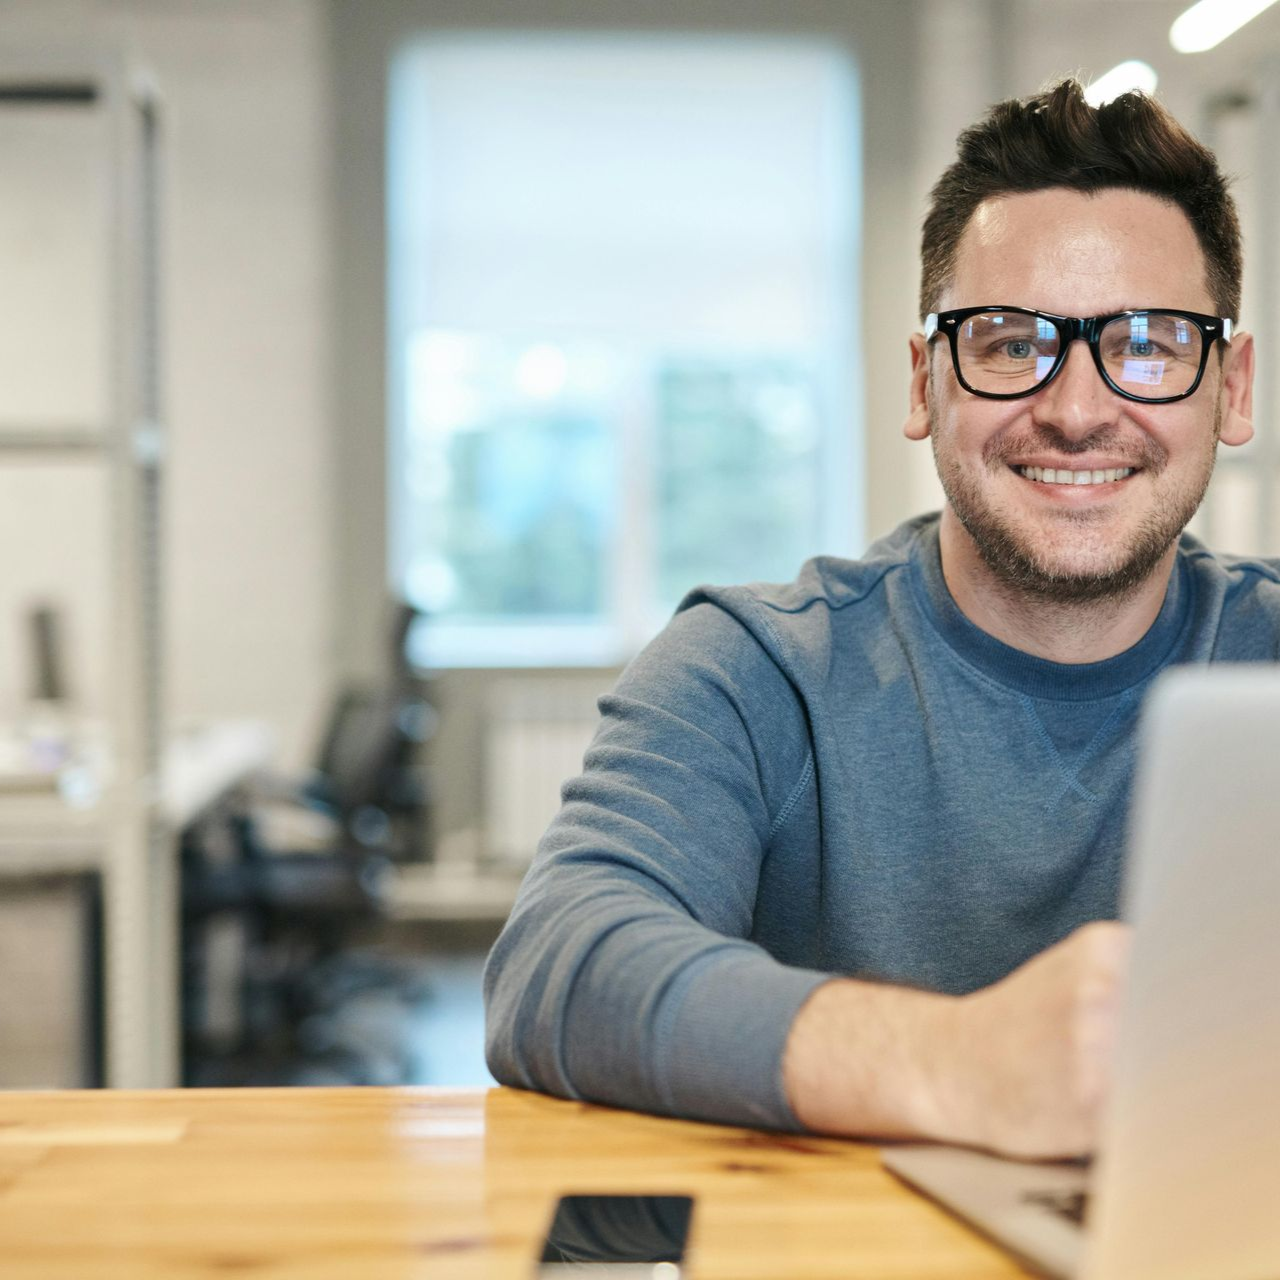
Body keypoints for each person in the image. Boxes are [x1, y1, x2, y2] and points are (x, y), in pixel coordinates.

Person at [483, 78, 1277, 1160]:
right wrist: (958, 1063)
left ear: (1232, 387)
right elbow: (561, 969)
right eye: (1009, 343)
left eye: (1148, 342)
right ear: (923, 381)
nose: (1077, 408)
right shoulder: (757, 670)